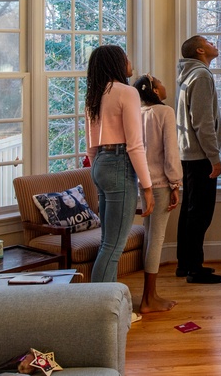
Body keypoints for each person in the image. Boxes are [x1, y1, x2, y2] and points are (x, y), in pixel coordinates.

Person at [84, 45, 154, 290]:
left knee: (107, 242)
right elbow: (135, 145)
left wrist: (99, 170)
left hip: (101, 164)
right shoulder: (127, 92)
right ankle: (99, 308)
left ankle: (109, 302)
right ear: (116, 63)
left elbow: (91, 146)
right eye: (126, 57)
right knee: (113, 247)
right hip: (118, 163)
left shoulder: (95, 94)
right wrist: (147, 187)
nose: (130, 61)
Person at [175, 35, 221, 284]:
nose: (214, 43)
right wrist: (214, 157)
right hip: (200, 155)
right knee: (200, 214)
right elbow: (203, 122)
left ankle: (185, 264)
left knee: (189, 211)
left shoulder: (188, 75)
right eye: (208, 41)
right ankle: (195, 268)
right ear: (199, 50)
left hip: (188, 154)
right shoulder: (202, 75)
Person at [132, 74, 181, 313]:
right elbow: (171, 152)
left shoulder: (136, 114)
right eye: (160, 82)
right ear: (153, 89)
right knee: (157, 238)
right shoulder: (165, 113)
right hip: (161, 184)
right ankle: (149, 298)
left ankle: (148, 295)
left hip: (144, 183)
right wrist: (176, 184)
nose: (164, 85)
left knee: (150, 236)